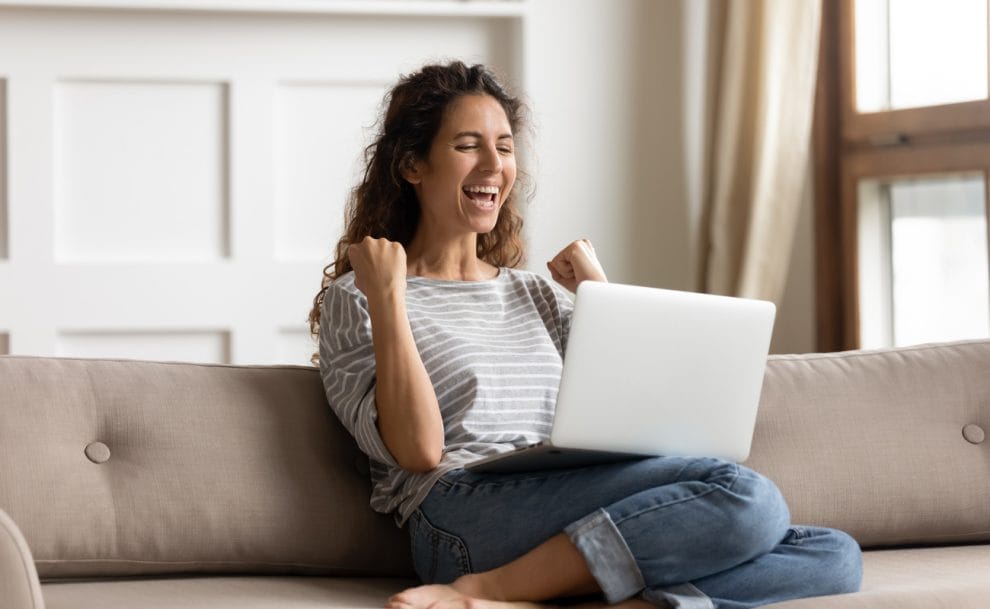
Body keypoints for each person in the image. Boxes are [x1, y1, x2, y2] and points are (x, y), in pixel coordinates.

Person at [309, 61, 862, 609]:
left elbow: (644, 420)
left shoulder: (536, 295)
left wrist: (601, 293)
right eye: (467, 145)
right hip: (460, 515)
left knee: (833, 553)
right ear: (412, 165)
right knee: (746, 497)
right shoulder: (361, 296)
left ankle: (580, 596)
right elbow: (421, 450)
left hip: (570, 489)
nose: (492, 165)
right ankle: (483, 589)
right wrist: (389, 300)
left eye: (503, 147)